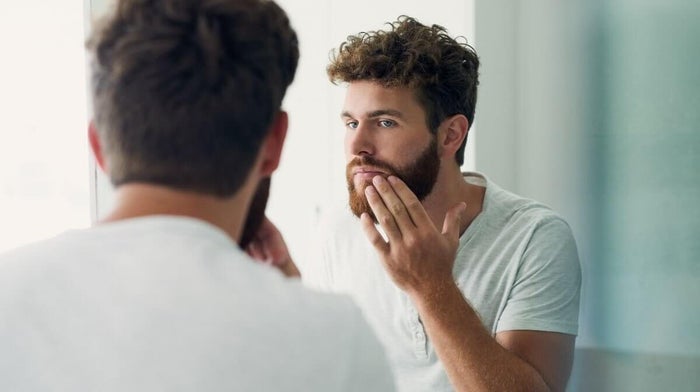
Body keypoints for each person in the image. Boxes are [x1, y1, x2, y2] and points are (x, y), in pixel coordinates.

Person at [0, 1, 395, 391]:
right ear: (274, 142)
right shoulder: (336, 343)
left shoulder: (10, 294)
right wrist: (294, 305)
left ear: (98, 145)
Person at [249, 15, 582, 392]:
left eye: (385, 122)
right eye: (350, 123)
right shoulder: (340, 228)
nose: (358, 146)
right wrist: (287, 281)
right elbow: (325, 370)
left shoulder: (533, 238)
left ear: (450, 135)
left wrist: (430, 285)